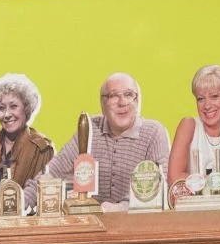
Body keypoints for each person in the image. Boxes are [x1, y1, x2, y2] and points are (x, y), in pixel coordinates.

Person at [29, 73, 173, 209]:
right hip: (93, 225)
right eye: (113, 96)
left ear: (138, 101)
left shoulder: (154, 132)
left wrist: (119, 208)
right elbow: (53, 172)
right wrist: (21, 201)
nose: (122, 102)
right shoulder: (90, 129)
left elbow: (162, 185)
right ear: (102, 104)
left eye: (129, 95)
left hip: (137, 224)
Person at [0, 74, 56, 191]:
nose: (7, 114)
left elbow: (41, 196)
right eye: (2, 108)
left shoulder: (42, 149)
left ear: (27, 108)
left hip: (19, 209)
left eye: (13, 106)